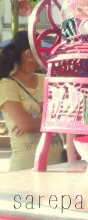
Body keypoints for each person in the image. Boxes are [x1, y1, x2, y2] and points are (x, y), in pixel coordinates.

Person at [0, 31, 64, 171]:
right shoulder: (7, 85)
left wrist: (37, 124)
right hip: (25, 170)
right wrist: (57, 122)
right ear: (29, 54)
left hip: (58, 166)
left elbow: (65, 112)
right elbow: (25, 125)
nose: (45, 53)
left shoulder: (46, 80)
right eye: (41, 48)